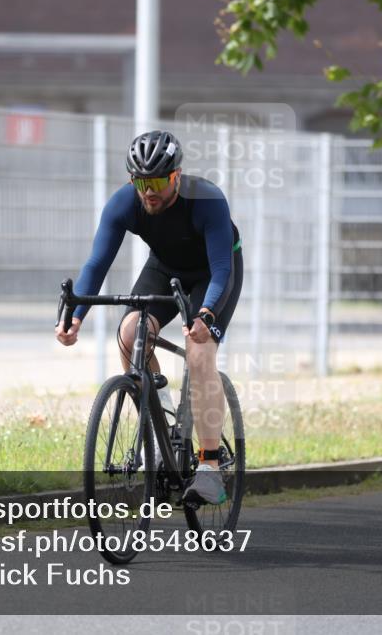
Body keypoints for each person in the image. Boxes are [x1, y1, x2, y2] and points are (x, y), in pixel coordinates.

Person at [55, 130, 243, 505]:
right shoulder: (125, 203)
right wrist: (75, 316)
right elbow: (97, 264)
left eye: (158, 181)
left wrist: (205, 314)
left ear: (176, 176)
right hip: (166, 267)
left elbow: (222, 269)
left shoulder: (207, 200)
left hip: (213, 271)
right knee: (129, 333)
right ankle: (161, 435)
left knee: (199, 352)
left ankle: (209, 468)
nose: (149, 191)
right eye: (141, 182)